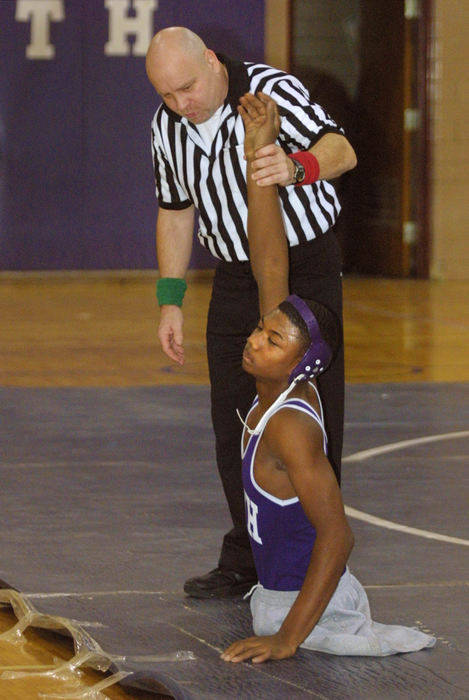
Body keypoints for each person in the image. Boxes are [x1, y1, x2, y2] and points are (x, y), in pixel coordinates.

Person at [145, 26, 357, 598]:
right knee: (232, 418)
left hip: (304, 264)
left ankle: (320, 557)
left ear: (212, 62)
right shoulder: (167, 126)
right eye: (166, 95)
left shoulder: (270, 91)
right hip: (235, 275)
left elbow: (343, 151)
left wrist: (297, 167)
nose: (179, 105)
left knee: (310, 414)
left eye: (186, 88)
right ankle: (247, 555)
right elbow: (175, 210)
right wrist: (170, 301)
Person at [219, 294, 436, 662]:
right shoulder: (270, 396)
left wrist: (287, 638)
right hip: (280, 597)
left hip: (311, 609)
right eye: (259, 328)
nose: (254, 341)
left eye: (273, 341)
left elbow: (338, 536)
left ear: (304, 364)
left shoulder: (290, 426)